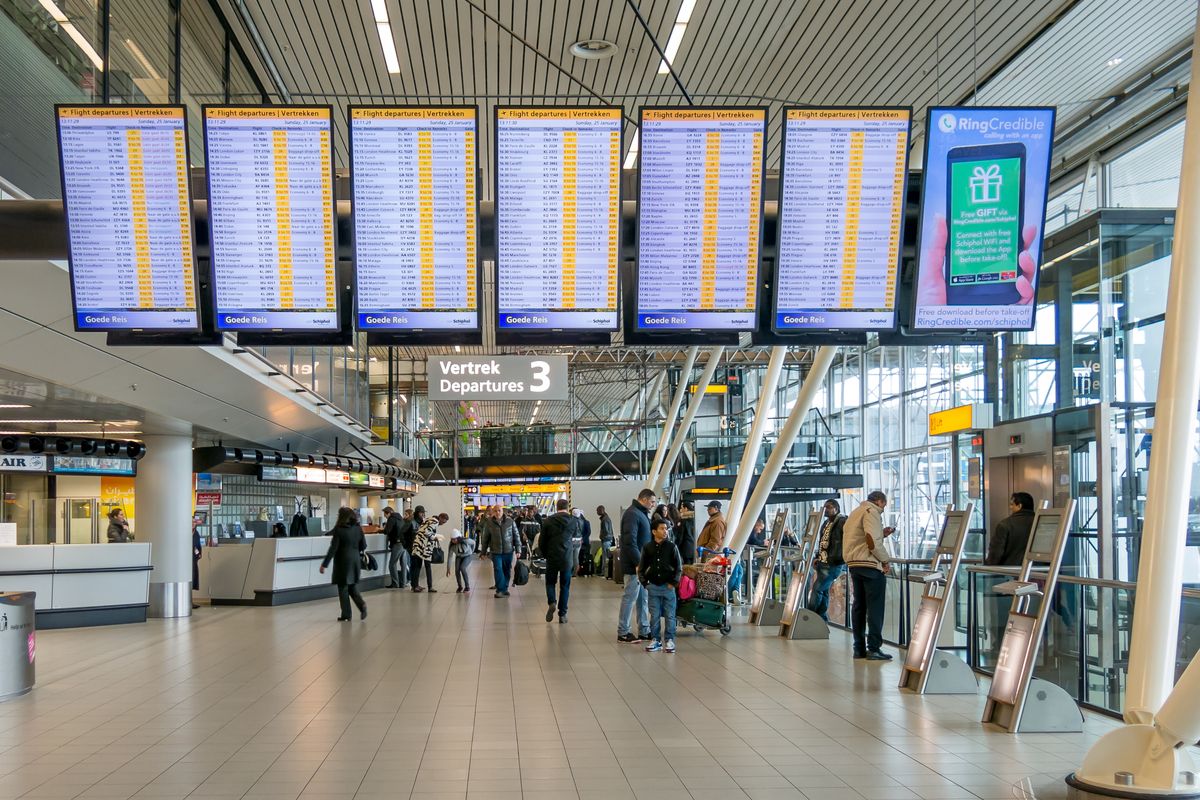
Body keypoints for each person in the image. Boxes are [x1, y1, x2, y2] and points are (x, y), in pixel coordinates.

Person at [843, 491, 896, 661]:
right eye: (884, 506)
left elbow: (860, 537)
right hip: (870, 565)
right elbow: (871, 540)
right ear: (879, 501)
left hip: (854, 564)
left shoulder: (855, 512)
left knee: (859, 606)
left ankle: (858, 648)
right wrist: (885, 560)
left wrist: (882, 533)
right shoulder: (871, 512)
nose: (883, 509)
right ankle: (873, 648)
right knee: (875, 608)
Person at [639, 517, 682, 654]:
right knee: (654, 615)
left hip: (668, 587)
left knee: (670, 615)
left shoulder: (672, 547)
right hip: (653, 586)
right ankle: (655, 640)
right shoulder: (647, 547)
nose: (665, 531)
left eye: (666, 529)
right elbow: (641, 567)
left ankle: (669, 640)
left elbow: (678, 567)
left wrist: (673, 583)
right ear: (654, 531)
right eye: (662, 529)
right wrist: (645, 583)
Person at [617, 488, 655, 643]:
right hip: (634, 566)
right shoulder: (632, 514)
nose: (653, 504)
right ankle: (623, 632)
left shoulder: (641, 513)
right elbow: (629, 542)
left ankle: (644, 630)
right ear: (644, 499)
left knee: (642, 598)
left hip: (641, 565)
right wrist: (639, 563)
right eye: (652, 501)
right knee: (630, 597)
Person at [319, 507, 368, 621]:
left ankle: (346, 614)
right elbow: (364, 545)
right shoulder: (358, 528)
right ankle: (362, 605)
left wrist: (324, 564)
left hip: (343, 561)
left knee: (343, 588)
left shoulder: (339, 530)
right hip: (355, 560)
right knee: (352, 585)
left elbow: (333, 548)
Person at [539, 499, 579, 623]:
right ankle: (562, 614)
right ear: (567, 507)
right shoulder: (573, 521)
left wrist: (545, 555)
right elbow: (576, 539)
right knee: (565, 586)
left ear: (556, 507)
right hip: (567, 558)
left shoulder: (548, 521)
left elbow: (542, 541)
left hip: (552, 557)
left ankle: (552, 602)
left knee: (550, 583)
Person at [807, 499, 847, 621]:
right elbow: (822, 542)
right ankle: (821, 618)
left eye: (829, 507)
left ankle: (810, 617)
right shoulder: (825, 523)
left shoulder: (842, 521)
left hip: (833, 564)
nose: (826, 509)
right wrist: (817, 557)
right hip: (822, 562)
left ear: (836, 508)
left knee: (817, 589)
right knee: (823, 591)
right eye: (825, 507)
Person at [987, 492, 1036, 566]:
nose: (1010, 507)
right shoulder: (1040, 522)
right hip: (1039, 570)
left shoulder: (1005, 524)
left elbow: (995, 553)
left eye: (1012, 504)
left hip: (1010, 570)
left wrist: (988, 566)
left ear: (1019, 506)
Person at [482, 504, 521, 598]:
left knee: (507, 570)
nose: (497, 512)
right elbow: (485, 538)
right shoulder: (489, 523)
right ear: (493, 512)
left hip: (508, 551)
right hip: (496, 551)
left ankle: (505, 589)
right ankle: (500, 590)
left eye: (499, 510)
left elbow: (516, 536)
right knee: (498, 569)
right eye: (495, 511)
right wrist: (483, 552)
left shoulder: (510, 521)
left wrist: (518, 549)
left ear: (503, 511)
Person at [409, 506, 438, 593]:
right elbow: (404, 532)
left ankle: (416, 585)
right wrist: (407, 545)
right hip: (415, 546)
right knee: (415, 567)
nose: (423, 514)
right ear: (417, 513)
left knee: (417, 566)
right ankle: (414, 586)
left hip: (421, 547)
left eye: (423, 513)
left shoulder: (422, 521)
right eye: (421, 513)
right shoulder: (411, 522)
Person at [383, 506, 408, 589]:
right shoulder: (400, 518)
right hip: (403, 543)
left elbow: (387, 531)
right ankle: (403, 583)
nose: (385, 517)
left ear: (388, 513)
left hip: (397, 543)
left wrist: (380, 529)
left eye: (385, 515)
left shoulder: (391, 519)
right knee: (403, 564)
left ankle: (395, 583)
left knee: (392, 564)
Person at [676, 500, 697, 565]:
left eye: (681, 508)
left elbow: (680, 536)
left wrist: (676, 545)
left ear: (686, 508)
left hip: (685, 549)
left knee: (686, 568)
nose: (680, 510)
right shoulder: (695, 519)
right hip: (694, 548)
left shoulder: (684, 520)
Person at [573, 508, 592, 576]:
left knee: (577, 557)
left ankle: (577, 571)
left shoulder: (578, 522)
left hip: (580, 541)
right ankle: (579, 571)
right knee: (578, 557)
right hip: (581, 541)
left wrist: (582, 539)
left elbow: (588, 532)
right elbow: (588, 532)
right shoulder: (584, 522)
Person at [192, 522, 203, 610]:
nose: (193, 524)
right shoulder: (184, 531)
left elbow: (198, 545)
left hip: (193, 559)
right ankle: (188, 601)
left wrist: (199, 553)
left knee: (193, 577)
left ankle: (190, 601)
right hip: (186, 559)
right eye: (191, 522)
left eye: (194, 523)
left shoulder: (196, 533)